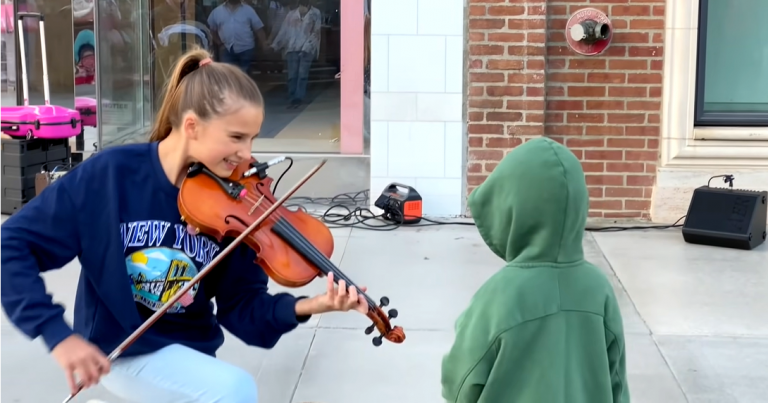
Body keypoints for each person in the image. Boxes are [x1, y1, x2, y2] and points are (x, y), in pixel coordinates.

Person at [0, 48, 369, 403]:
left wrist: (311, 305)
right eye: (237, 137)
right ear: (192, 125)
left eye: (252, 137)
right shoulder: (110, 176)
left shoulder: (234, 206)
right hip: (121, 350)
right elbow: (11, 245)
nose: (248, 154)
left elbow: (242, 308)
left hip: (191, 354)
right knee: (235, 390)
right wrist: (56, 334)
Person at [440, 137, 630, 403]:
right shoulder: (599, 289)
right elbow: (617, 382)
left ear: (511, 209)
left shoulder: (497, 297)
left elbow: (459, 385)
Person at [270, 0, 322, 108]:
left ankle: (298, 98)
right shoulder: (291, 14)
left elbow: (316, 32)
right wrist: (275, 45)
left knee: (302, 75)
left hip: (307, 49)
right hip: (292, 48)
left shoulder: (316, 13)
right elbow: (284, 31)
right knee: (292, 75)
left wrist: (306, 48)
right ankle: (292, 96)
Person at [207, 0, 270, 73]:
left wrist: (264, 44)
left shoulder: (248, 10)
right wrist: (220, 43)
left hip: (246, 49)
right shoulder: (217, 12)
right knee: (229, 76)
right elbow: (212, 30)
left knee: (245, 77)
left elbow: (258, 29)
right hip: (227, 49)